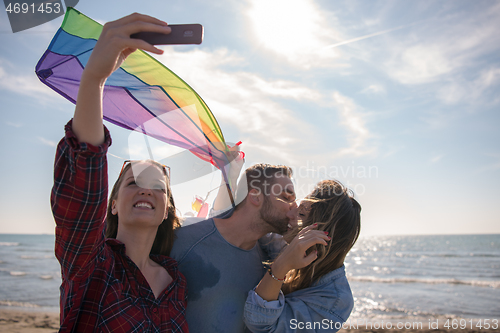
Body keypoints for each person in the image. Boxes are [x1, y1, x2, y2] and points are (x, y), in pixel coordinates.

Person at [50, 13, 189, 332]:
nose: (146, 190)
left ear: (167, 208)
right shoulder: (90, 263)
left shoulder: (177, 280)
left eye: (158, 186)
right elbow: (80, 199)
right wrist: (94, 79)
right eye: (133, 182)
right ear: (112, 204)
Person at [169, 163, 299, 333]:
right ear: (255, 197)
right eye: (286, 197)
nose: (295, 206)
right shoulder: (184, 239)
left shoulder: (267, 265)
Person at [243, 179, 361, 333]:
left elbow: (261, 326)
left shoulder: (335, 301)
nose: (289, 214)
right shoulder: (284, 241)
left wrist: (281, 266)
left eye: (301, 213)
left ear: (321, 233)